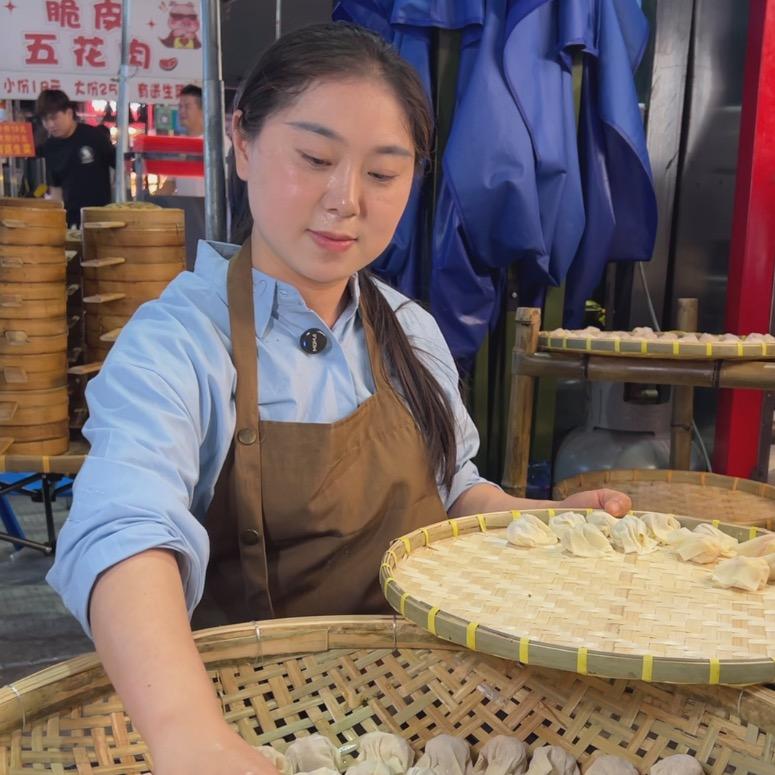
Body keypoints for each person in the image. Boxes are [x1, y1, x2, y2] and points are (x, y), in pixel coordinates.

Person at [48, 23, 630, 775]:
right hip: (262, 730)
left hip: (430, 720)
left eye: (384, 174)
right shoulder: (177, 343)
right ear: (243, 141)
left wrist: (550, 522)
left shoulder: (410, 332)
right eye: (315, 159)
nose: (344, 200)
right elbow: (123, 530)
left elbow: (455, 495)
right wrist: (190, 735)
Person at [36, 89, 114, 227]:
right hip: (70, 222)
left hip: (102, 218)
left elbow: (120, 171)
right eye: (45, 120)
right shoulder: (50, 147)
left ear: (70, 113)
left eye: (54, 118)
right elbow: (56, 190)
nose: (50, 125)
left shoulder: (94, 137)